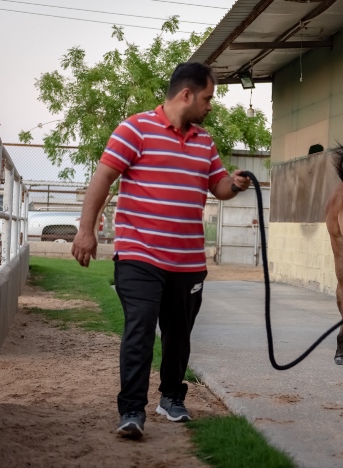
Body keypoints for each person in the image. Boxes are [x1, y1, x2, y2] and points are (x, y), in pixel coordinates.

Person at [71, 62, 251, 439]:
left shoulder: (204, 142)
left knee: (179, 334)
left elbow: (217, 186)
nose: (210, 105)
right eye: (207, 98)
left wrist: (234, 184)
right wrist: (86, 230)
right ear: (186, 94)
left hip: (187, 260)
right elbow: (103, 177)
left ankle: (171, 398)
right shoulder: (134, 129)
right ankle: (131, 410)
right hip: (139, 254)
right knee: (139, 329)